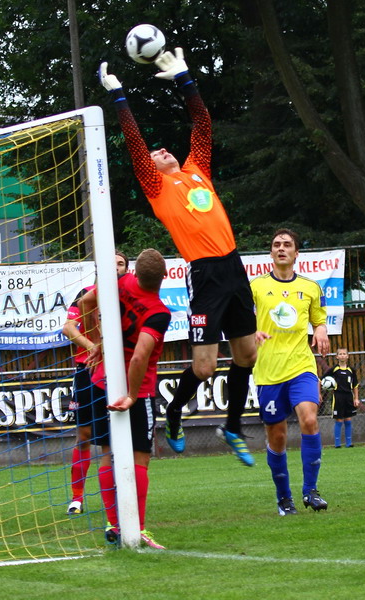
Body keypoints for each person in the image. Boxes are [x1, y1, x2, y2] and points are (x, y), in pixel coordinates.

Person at [99, 49, 258, 467]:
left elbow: (202, 124)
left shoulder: (196, 169)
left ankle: (234, 427)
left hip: (233, 266)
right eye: (156, 153)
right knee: (204, 368)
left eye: (164, 149)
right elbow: (135, 144)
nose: (162, 150)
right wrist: (119, 98)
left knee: (247, 356)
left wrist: (185, 80)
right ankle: (173, 412)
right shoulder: (157, 188)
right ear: (150, 169)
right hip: (204, 273)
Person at [79, 249, 171, 549]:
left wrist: (98, 341)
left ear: (136, 272)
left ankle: (114, 524)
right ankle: (139, 528)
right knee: (140, 458)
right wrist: (132, 395)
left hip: (103, 380)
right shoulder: (158, 312)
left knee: (108, 453)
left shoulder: (120, 283)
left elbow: (85, 303)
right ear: (164, 277)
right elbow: (140, 356)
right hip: (137, 390)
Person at [251, 229, 331, 515]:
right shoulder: (256, 287)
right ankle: (284, 497)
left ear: (297, 253)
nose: (281, 248)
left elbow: (319, 319)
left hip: (301, 365)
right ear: (271, 253)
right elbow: (241, 322)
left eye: (287, 245)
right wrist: (252, 332)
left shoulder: (310, 287)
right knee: (278, 437)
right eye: (276, 245)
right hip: (269, 371)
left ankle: (311, 490)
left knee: (309, 419)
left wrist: (320, 330)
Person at [62, 252, 128, 515]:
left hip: (123, 372)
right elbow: (68, 328)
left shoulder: (132, 296)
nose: (116, 267)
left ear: (127, 269)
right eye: (111, 263)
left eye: (121, 263)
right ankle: (77, 498)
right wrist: (94, 348)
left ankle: (122, 495)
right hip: (88, 370)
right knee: (85, 435)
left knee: (119, 439)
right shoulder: (86, 293)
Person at [322, 347, 360, 448]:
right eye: (340, 354)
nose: (342, 355)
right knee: (339, 420)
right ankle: (337, 444)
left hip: (349, 396)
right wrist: (319, 393)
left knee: (348, 419)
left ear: (347, 356)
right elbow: (321, 379)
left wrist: (356, 398)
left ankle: (349, 443)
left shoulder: (351, 370)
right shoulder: (334, 369)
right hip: (338, 396)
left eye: (344, 354)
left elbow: (355, 385)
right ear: (337, 356)